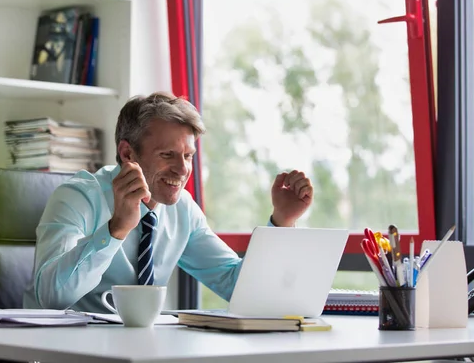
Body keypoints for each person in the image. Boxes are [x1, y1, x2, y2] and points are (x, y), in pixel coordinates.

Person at [23, 91, 313, 312]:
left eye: (187, 156)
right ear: (128, 154)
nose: (182, 169)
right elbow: (51, 297)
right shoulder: (78, 197)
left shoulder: (182, 210)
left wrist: (282, 222)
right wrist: (115, 230)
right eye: (167, 155)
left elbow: (237, 287)